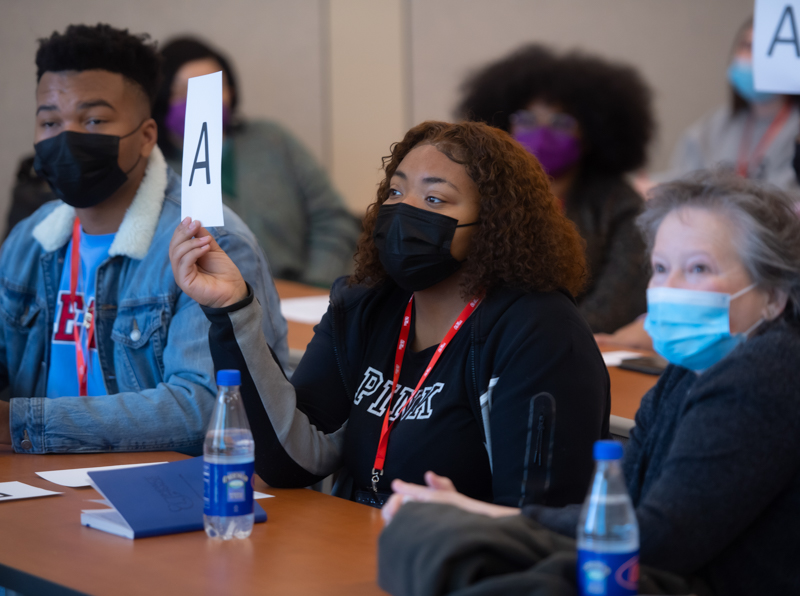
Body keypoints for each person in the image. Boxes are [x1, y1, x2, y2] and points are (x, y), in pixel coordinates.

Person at [379, 170, 800, 596]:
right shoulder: (686, 370)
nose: (668, 288)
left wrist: (482, 515)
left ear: (775, 294)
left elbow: (657, 541)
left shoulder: (768, 371)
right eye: (660, 267)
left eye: (698, 268)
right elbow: (624, 511)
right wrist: (477, 516)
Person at [170, 120, 611, 508]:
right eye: (396, 192)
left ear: (496, 225)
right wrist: (233, 307)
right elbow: (293, 459)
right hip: (355, 555)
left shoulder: (540, 334)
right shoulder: (367, 305)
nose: (405, 211)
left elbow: (538, 523)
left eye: (436, 200)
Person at [0, 24, 288, 454]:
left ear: (147, 135)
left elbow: (204, 409)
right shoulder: (29, 241)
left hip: (166, 493)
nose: (67, 137)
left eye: (94, 119)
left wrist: (21, 424)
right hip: (41, 488)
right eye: (50, 121)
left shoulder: (208, 242)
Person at [457, 45, 653, 334]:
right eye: (526, 119)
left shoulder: (620, 205)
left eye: (561, 122)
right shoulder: (480, 193)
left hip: (574, 346)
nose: (542, 132)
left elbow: (616, 304)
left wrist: (548, 344)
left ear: (591, 133)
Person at [153, 37, 359, 288]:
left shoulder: (271, 140)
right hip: (214, 307)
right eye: (183, 91)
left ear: (231, 91)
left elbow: (333, 219)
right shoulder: (155, 171)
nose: (200, 100)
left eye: (212, 87)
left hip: (301, 294)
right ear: (161, 97)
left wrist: (315, 284)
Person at [645, 19, 800, 193]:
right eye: (746, 46)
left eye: (762, 50)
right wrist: (648, 187)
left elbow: (788, 196)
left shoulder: (795, 130)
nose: (752, 58)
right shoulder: (717, 124)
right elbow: (683, 177)